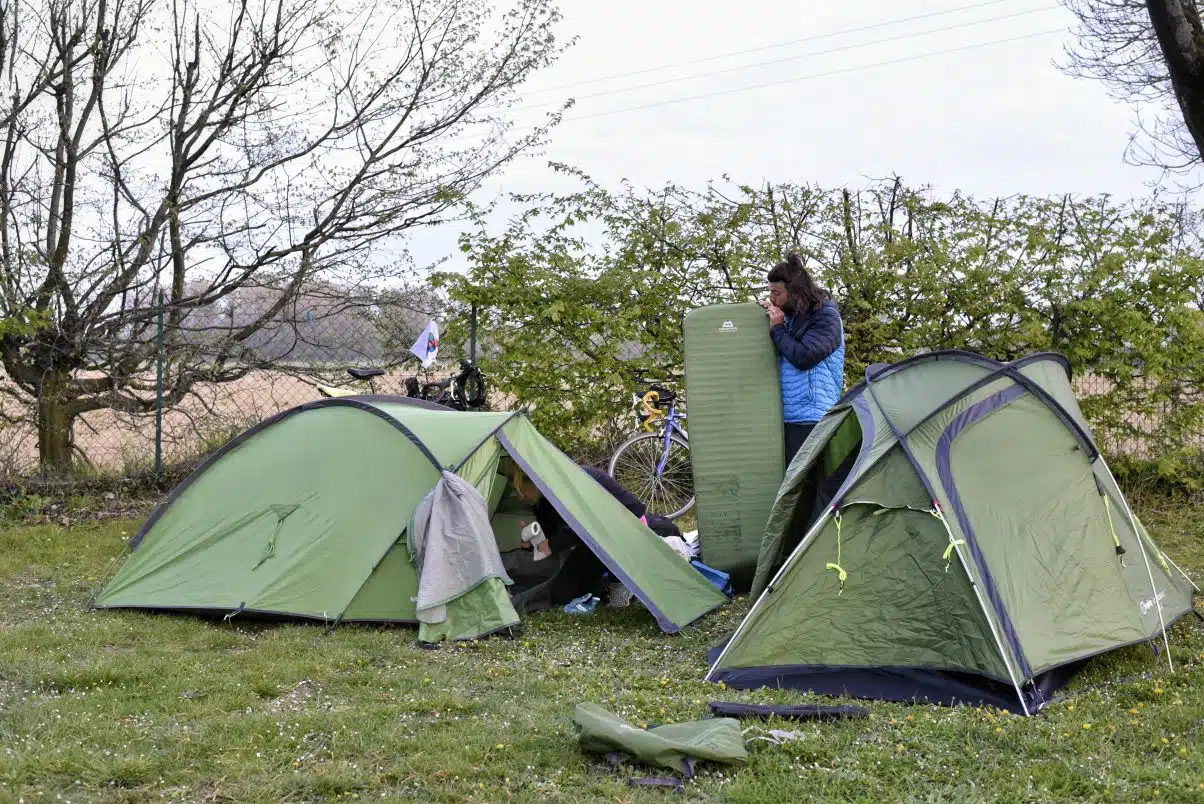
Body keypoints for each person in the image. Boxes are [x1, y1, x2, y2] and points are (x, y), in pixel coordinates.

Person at [505, 463, 679, 605]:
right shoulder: (541, 501)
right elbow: (554, 533)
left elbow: (582, 525)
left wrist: (551, 545)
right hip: (592, 542)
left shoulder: (572, 483)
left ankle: (623, 578)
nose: (519, 496)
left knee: (570, 586)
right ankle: (608, 582)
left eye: (520, 490)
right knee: (562, 595)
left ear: (533, 483)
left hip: (624, 530)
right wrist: (531, 542)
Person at [762, 251, 845, 466]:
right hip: (790, 415)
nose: (772, 298)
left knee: (807, 487)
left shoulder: (826, 315)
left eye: (777, 293)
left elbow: (805, 357)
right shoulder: (791, 316)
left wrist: (778, 328)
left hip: (813, 416)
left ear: (795, 291)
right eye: (770, 292)